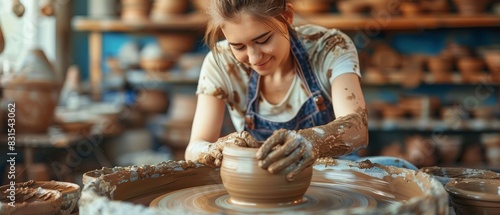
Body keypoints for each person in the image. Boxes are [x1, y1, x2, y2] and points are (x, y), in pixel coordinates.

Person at [185, 0, 417, 181]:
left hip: (336, 179)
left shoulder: (329, 47)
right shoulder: (220, 63)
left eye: (264, 40)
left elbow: (357, 128)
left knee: (406, 170)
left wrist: (311, 142)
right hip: (265, 184)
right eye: (239, 46)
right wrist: (216, 149)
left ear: (287, 16)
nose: (254, 57)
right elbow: (195, 148)